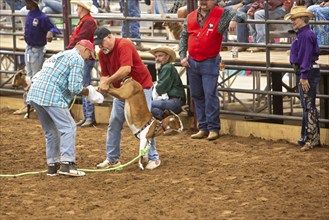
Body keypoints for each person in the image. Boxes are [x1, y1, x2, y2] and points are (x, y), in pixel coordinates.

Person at [26, 40, 98, 176]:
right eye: (90, 55)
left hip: (35, 93)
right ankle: (67, 164)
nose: (88, 59)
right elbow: (74, 88)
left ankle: (52, 166)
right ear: (86, 50)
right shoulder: (77, 59)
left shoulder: (60, 55)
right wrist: (90, 92)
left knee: (51, 131)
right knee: (68, 126)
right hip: (51, 95)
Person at [94, 27, 161, 170]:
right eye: (98, 44)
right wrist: (103, 82)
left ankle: (154, 157)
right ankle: (112, 159)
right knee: (114, 121)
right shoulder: (102, 53)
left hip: (140, 88)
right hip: (124, 89)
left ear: (110, 37)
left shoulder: (124, 44)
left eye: (102, 42)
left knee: (145, 123)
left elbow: (126, 69)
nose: (100, 46)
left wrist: (107, 82)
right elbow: (104, 74)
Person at [179, 0, 243, 141]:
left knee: (209, 94)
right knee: (197, 95)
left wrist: (233, 20)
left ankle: (213, 128)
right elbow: (184, 36)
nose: (203, 2)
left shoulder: (221, 14)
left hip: (209, 61)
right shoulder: (191, 17)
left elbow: (242, 15)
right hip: (193, 61)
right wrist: (183, 56)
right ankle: (203, 127)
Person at [13, 0, 60, 115]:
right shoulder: (31, 14)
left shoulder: (41, 17)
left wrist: (51, 32)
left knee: (34, 78)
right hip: (30, 48)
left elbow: (55, 28)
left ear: (32, 3)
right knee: (30, 77)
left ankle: (33, 105)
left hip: (36, 49)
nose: (26, 3)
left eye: (28, 2)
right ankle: (30, 104)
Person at [284, 6, 321, 151]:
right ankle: (309, 137)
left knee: (308, 106)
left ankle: (310, 138)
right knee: (308, 105)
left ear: (301, 19)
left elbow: (305, 56)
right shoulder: (305, 34)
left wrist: (304, 75)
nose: (292, 21)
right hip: (308, 71)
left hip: (307, 72)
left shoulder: (304, 35)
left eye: (294, 19)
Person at [68, 0, 98, 127]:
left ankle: (89, 116)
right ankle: (88, 116)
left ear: (82, 8)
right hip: (84, 56)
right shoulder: (87, 21)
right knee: (83, 84)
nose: (76, 9)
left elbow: (80, 39)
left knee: (84, 85)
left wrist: (69, 48)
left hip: (85, 57)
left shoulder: (88, 21)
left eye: (78, 6)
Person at [149, 46, 186, 120]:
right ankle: (165, 119)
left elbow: (161, 88)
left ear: (167, 57)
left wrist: (156, 86)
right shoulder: (165, 67)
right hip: (174, 101)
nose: (157, 59)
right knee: (150, 106)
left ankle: (164, 120)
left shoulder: (167, 67)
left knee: (147, 105)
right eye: (156, 56)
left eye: (160, 56)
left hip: (174, 101)